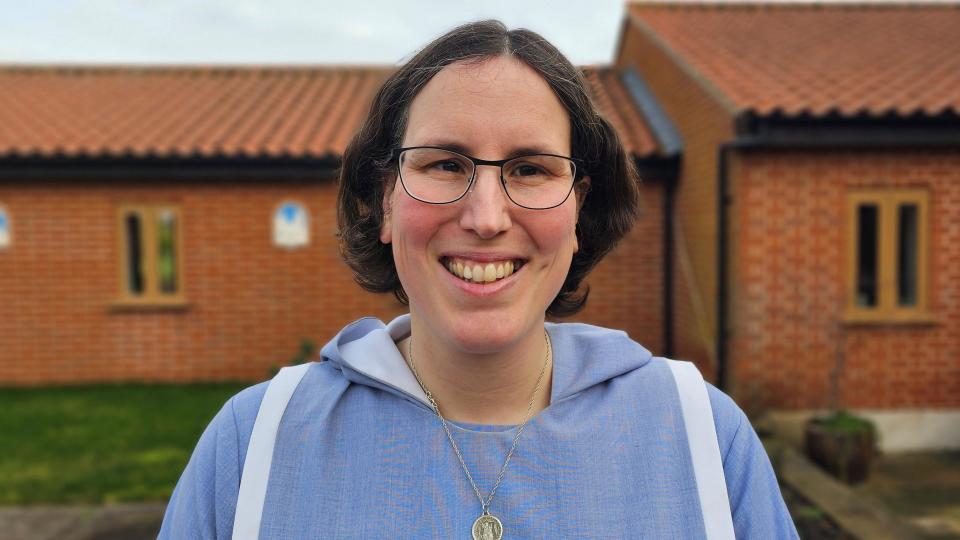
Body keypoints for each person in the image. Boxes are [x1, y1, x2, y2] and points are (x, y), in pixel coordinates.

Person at [159, 20, 799, 539]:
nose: (487, 218)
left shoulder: (702, 436)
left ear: (578, 210)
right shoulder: (254, 443)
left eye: (529, 169)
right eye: (444, 163)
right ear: (386, 203)